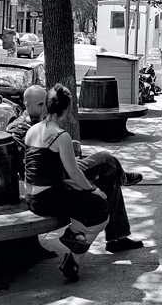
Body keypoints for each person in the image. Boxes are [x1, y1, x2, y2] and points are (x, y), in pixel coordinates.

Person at [8, 86, 144, 262]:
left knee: (107, 176)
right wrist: (86, 185)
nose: (45, 108)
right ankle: (121, 181)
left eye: (46, 104)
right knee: (105, 162)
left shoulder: (39, 126)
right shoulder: (19, 128)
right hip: (53, 180)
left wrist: (67, 151)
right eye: (41, 104)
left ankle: (115, 237)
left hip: (57, 175)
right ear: (26, 104)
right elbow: (30, 165)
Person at [23, 84, 110, 282]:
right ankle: (71, 236)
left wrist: (75, 186)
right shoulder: (61, 136)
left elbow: (42, 171)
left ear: (47, 106)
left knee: (85, 208)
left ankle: (73, 261)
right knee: (101, 209)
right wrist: (93, 190)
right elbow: (74, 172)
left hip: (32, 197)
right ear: (67, 109)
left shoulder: (33, 130)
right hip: (48, 199)